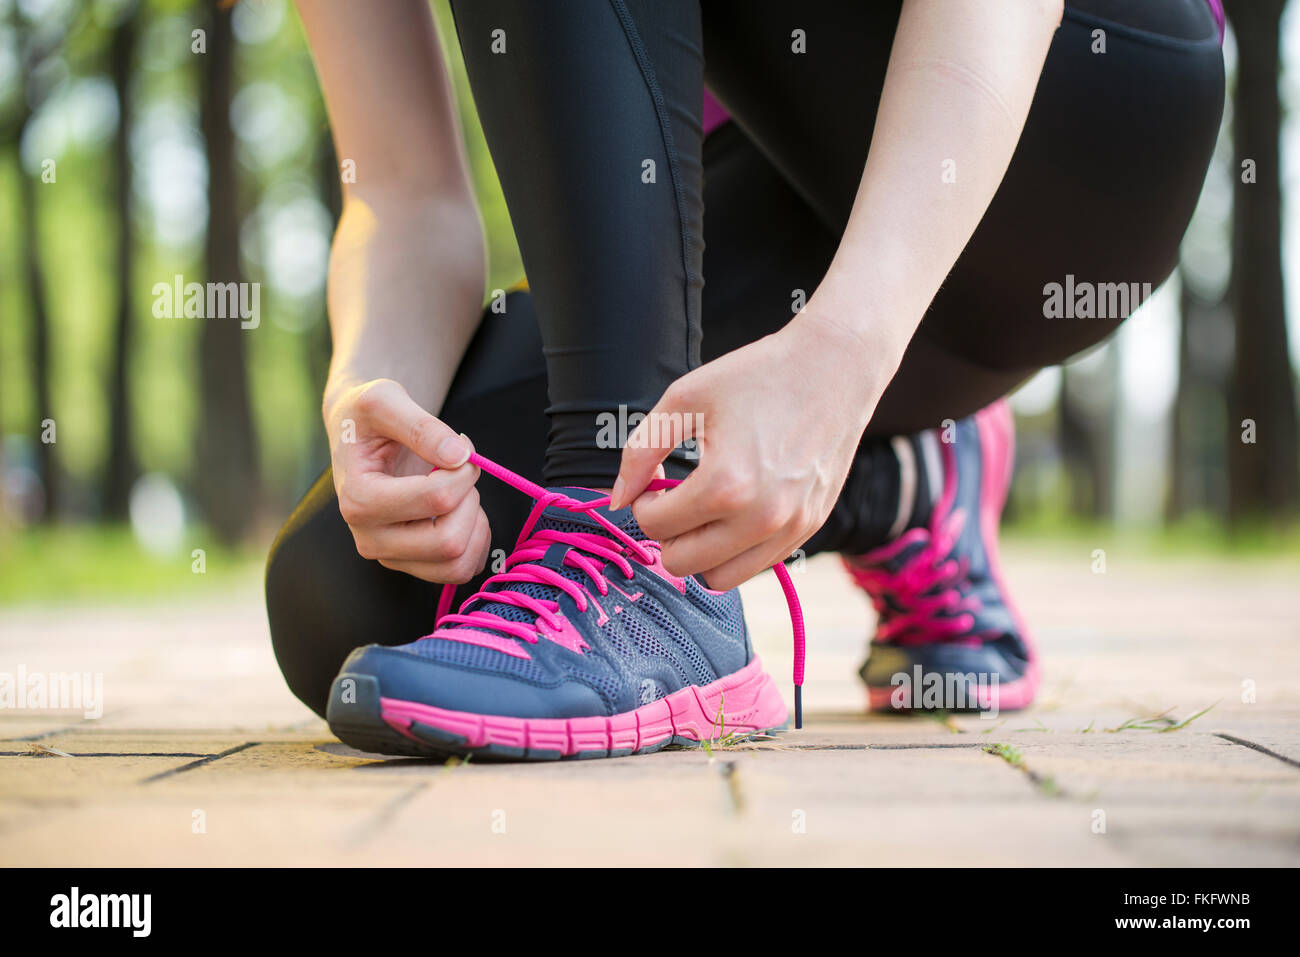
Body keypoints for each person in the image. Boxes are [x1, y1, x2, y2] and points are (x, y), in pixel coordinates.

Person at [266, 0, 1225, 759]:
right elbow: (400, 191)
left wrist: (843, 351)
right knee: (346, 595)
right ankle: (904, 479)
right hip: (786, 187)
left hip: (1070, 125)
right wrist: (368, 397)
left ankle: (637, 561)